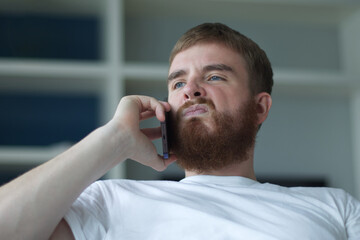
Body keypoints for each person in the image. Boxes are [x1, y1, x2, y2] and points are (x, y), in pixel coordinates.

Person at [0, 23, 359, 240]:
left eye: (215, 76)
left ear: (260, 107)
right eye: (178, 82)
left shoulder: (333, 207)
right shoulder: (110, 202)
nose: (191, 90)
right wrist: (112, 140)